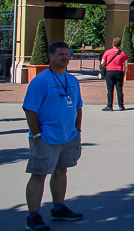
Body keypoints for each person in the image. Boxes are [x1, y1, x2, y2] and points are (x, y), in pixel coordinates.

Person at [23, 41, 84, 230]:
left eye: (67, 54)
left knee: (61, 171)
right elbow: (30, 109)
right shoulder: (40, 81)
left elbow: (78, 106)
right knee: (39, 175)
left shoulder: (72, 80)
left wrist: (77, 131)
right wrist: (37, 135)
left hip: (68, 137)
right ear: (51, 56)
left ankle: (59, 209)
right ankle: (33, 217)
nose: (65, 57)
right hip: (46, 138)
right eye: (61, 54)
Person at [100, 37, 128, 112]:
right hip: (119, 72)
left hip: (109, 72)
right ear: (120, 44)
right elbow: (126, 65)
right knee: (119, 89)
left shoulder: (107, 52)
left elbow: (102, 63)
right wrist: (124, 73)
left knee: (110, 89)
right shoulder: (122, 53)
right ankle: (121, 105)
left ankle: (109, 106)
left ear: (113, 44)